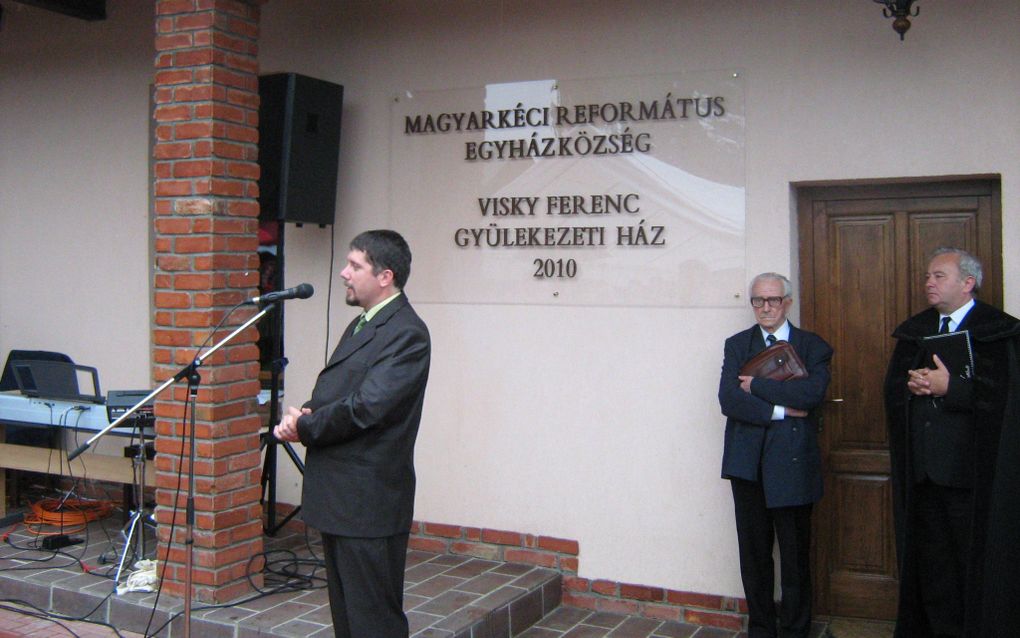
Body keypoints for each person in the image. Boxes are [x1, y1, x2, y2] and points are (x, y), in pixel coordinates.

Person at [274, 229, 431, 638]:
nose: (344, 273)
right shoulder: (362, 324)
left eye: (355, 265)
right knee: (348, 619)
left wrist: (305, 427)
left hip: (368, 504)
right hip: (342, 500)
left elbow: (368, 408)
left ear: (385, 276)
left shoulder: (406, 333)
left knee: (373, 621)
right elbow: (340, 391)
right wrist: (307, 411)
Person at [884, 247, 1020, 637]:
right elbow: (895, 392)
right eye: (928, 276)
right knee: (933, 567)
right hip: (924, 474)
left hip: (973, 478)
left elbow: (1006, 400)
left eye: (939, 276)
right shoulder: (916, 331)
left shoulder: (998, 331)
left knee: (969, 565)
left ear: (968, 282)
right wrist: (912, 387)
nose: (929, 282)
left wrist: (952, 388)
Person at [718, 272, 833, 638]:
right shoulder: (737, 345)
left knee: (796, 559)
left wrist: (758, 386)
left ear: (787, 302)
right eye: (757, 301)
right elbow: (729, 400)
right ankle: (763, 630)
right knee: (755, 558)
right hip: (747, 466)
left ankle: (797, 630)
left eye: (772, 300)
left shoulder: (813, 346)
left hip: (793, 466)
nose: (765, 308)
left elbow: (811, 395)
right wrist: (780, 410)